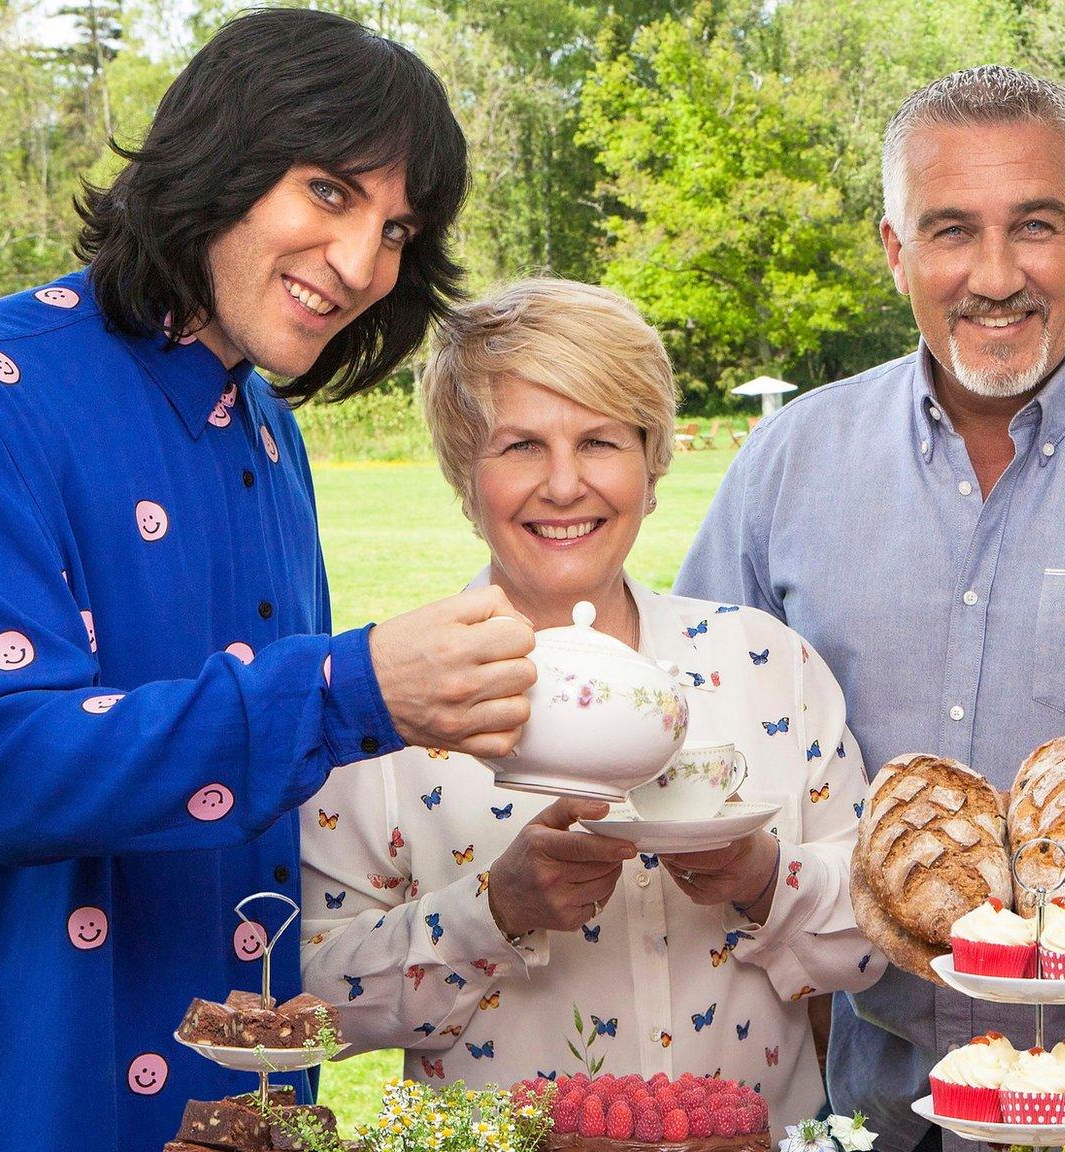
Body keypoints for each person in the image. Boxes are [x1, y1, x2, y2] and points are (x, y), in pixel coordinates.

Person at [0, 12, 539, 1150]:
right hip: (28, 1098)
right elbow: (8, 772)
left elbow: (269, 784)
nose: (364, 265)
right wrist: (351, 687)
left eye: (397, 228)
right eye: (328, 192)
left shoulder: (273, 436)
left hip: (251, 1109)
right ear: (218, 156)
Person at [674, 66, 1065, 1151]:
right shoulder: (792, 458)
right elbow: (710, 713)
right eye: (948, 231)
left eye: (1033, 225)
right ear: (893, 250)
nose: (993, 275)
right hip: (874, 1090)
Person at [300, 279, 881, 1123]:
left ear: (653, 467)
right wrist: (491, 914)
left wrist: (761, 877)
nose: (565, 485)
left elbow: (874, 934)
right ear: (466, 477)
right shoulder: (388, 704)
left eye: (601, 441)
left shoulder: (765, 666)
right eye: (522, 447)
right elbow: (314, 1002)